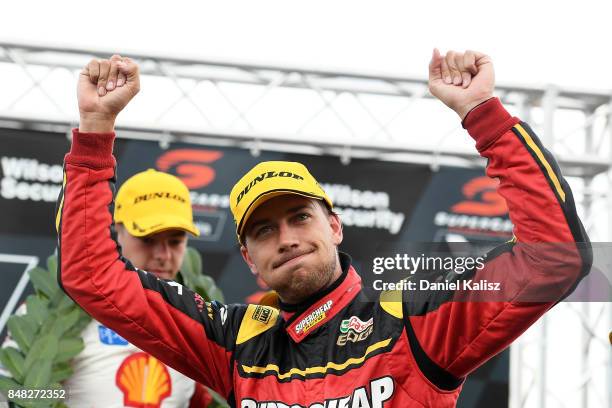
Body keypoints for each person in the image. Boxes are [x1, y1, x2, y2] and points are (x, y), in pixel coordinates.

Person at [56, 50, 591, 407]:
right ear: (247, 258)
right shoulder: (232, 342)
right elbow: (91, 277)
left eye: (300, 217)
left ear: (334, 226)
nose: (286, 237)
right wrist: (95, 131)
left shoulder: (414, 319)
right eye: (263, 231)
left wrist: (483, 114)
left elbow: (555, 256)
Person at [61, 169, 214, 407]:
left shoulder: (204, 326)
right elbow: (15, 393)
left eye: (175, 241)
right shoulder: (58, 315)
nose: (163, 255)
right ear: (117, 230)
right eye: (148, 239)